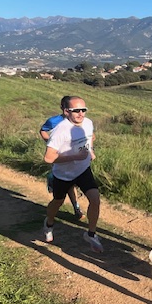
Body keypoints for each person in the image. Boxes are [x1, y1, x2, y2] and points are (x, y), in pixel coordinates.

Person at [42, 96, 104, 253]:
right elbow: (48, 158)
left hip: (83, 170)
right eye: (76, 110)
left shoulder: (88, 123)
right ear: (66, 111)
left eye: (83, 110)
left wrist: (90, 150)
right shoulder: (60, 131)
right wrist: (75, 157)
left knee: (95, 199)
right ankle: (49, 223)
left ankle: (91, 234)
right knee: (57, 202)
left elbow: (90, 137)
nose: (81, 113)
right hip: (63, 174)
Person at [40, 95, 84, 220]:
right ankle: (75, 208)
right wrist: (50, 142)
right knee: (69, 183)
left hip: (76, 156)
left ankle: (73, 206)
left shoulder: (80, 120)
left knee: (72, 182)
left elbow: (88, 135)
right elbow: (43, 130)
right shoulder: (54, 121)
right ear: (63, 108)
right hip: (61, 156)